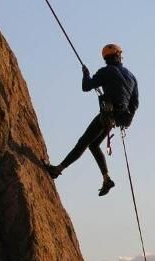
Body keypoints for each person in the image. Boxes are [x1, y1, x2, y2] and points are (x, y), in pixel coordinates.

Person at [46, 43, 139, 196]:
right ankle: (106, 179)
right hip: (119, 116)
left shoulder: (105, 71)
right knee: (94, 145)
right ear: (117, 56)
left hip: (107, 115)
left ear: (106, 58)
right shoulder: (132, 76)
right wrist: (126, 120)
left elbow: (86, 86)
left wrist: (85, 74)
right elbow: (135, 103)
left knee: (83, 142)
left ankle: (58, 169)